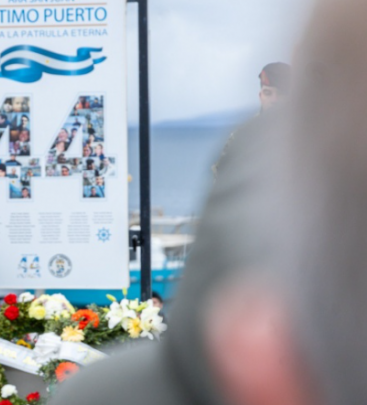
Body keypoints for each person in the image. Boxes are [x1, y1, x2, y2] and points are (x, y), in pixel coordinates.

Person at [52, 1, 367, 403]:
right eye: (265, 91)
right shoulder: (247, 141)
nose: (269, 100)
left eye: (276, 92)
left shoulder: (278, 146)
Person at [212, 62, 291, 177]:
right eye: (268, 93)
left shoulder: (310, 135)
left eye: (280, 94)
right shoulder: (243, 136)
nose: (274, 100)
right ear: (261, 96)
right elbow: (221, 177)